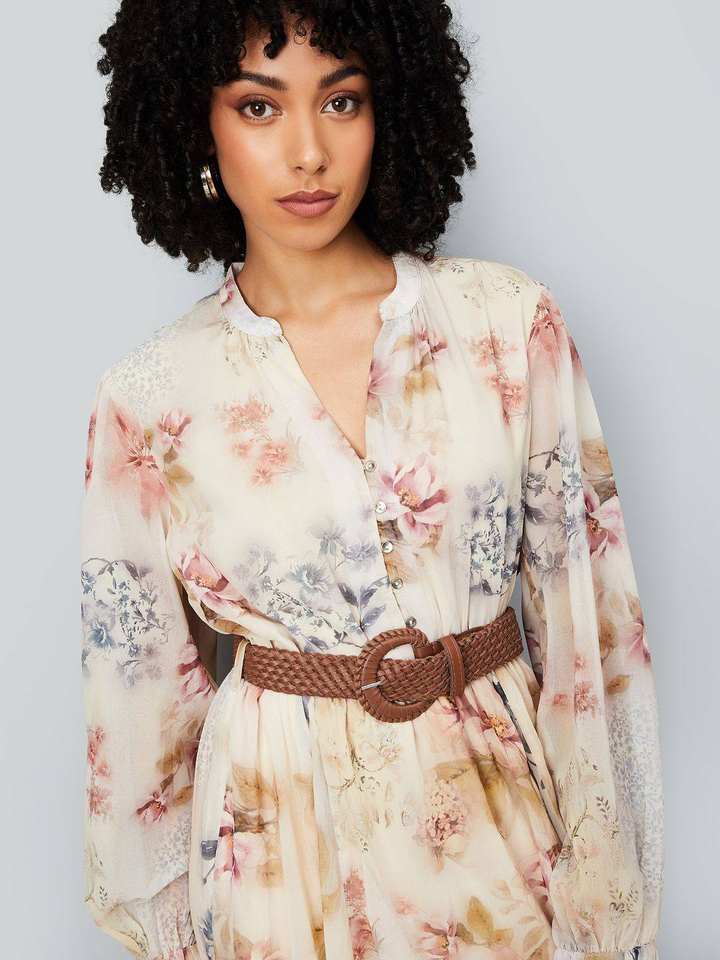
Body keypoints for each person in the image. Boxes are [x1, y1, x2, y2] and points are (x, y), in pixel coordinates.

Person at [79, 3, 664, 959]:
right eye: (259, 107)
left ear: (390, 107)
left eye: (341, 100)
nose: (309, 152)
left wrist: (605, 900)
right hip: (276, 871)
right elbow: (140, 708)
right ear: (194, 122)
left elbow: (592, 634)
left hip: (503, 842)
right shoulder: (148, 398)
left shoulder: (506, 322)